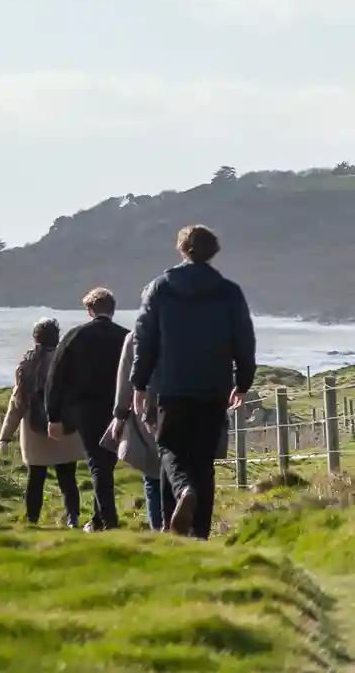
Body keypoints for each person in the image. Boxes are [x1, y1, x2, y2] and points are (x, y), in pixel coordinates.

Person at [132, 225, 257, 539]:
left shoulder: (160, 288)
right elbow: (244, 339)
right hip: (214, 387)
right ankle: (199, 534)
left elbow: (144, 339)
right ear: (213, 252)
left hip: (170, 386)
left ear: (181, 249)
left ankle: (178, 503)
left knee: (169, 448)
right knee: (203, 459)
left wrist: (139, 382)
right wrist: (242, 382)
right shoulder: (229, 291)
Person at [44, 288, 129, 530]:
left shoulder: (75, 336)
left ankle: (107, 521)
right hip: (117, 408)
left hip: (85, 409)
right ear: (112, 310)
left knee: (97, 463)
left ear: (89, 310)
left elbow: (56, 377)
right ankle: (100, 519)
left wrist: (53, 416)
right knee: (107, 463)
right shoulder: (126, 336)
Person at [0, 318, 87, 526]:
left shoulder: (27, 365)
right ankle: (73, 518)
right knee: (68, 479)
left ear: (35, 338)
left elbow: (17, 404)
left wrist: (5, 436)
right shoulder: (68, 360)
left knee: (35, 478)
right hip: (65, 429)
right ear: (57, 339)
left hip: (35, 431)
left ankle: (32, 520)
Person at [110, 327, 172, 529]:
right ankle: (180, 527)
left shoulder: (136, 337)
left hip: (147, 410)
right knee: (179, 471)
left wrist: (119, 416)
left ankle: (158, 528)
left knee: (153, 475)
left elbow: (125, 379)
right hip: (182, 406)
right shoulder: (188, 326)